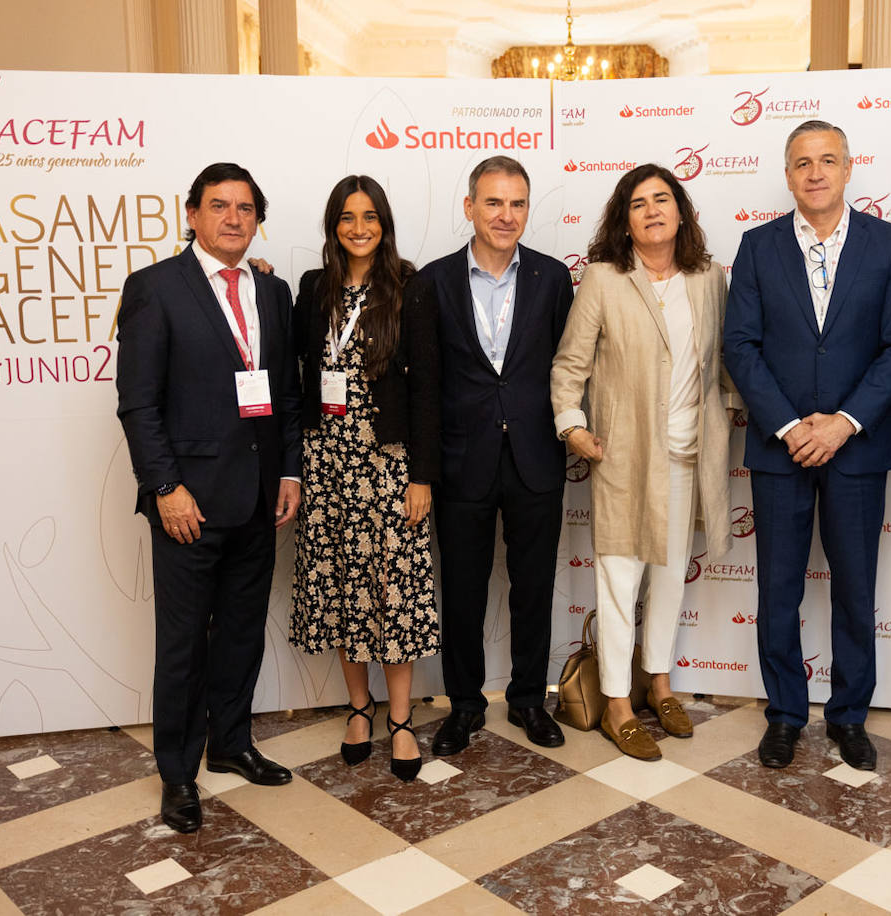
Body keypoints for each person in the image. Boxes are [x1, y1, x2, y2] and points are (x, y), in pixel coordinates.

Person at [724, 121, 891, 772]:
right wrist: (788, 425)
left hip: (858, 448)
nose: (815, 172)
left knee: (854, 588)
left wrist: (843, 422)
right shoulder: (757, 247)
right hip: (779, 450)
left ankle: (849, 717)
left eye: (827, 160)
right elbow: (740, 346)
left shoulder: (888, 245)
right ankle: (784, 715)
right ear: (787, 174)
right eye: (802, 162)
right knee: (778, 590)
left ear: (847, 168)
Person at [116, 162, 301, 834]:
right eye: (219, 206)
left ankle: (231, 743)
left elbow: (284, 395)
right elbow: (138, 404)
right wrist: (165, 487)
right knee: (184, 645)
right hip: (187, 505)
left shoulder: (272, 295)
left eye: (245, 208)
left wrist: (290, 473)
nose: (233, 219)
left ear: (257, 219)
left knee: (243, 635)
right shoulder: (155, 289)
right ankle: (177, 773)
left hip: (258, 499)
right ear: (190, 213)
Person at [551, 164, 737, 760]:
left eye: (663, 200)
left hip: (690, 456)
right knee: (618, 579)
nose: (652, 210)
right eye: (639, 203)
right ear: (623, 220)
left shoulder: (710, 278)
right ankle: (617, 704)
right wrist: (571, 425)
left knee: (670, 577)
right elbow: (568, 366)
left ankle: (659, 683)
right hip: (625, 458)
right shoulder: (604, 279)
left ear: (680, 212)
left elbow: (726, 362)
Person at [415, 155, 574, 756]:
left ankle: (530, 699)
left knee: (534, 586)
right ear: (469, 207)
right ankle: (465, 704)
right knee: (462, 589)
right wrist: (424, 472)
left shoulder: (553, 279)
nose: (506, 216)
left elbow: (568, 369)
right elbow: (425, 386)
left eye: (517, 204)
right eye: (494, 203)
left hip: (535, 458)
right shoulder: (431, 282)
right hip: (462, 463)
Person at [289, 175, 439, 782]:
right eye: (347, 217)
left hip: (387, 464)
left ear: (384, 222)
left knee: (393, 591)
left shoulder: (409, 284)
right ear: (333, 225)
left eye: (370, 216)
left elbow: (429, 386)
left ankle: (400, 720)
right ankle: (359, 709)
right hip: (325, 463)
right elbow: (289, 355)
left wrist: (421, 476)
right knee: (347, 589)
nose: (359, 227)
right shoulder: (311, 289)